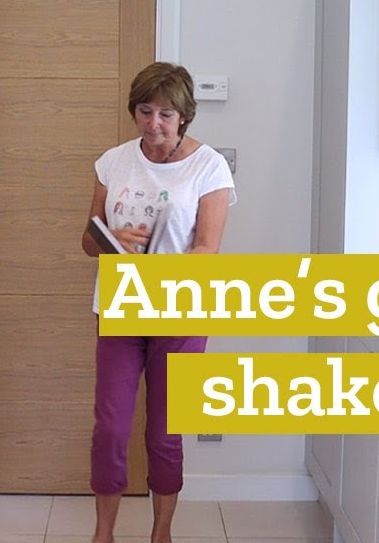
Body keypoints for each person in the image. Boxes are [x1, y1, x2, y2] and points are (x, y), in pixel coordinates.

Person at [81, 62, 236, 543]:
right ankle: (103, 533)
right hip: (121, 307)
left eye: (166, 114)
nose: (154, 124)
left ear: (184, 116)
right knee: (110, 425)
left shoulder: (208, 166)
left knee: (165, 431)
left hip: (180, 311)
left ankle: (160, 532)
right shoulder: (114, 161)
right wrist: (114, 240)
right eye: (145, 111)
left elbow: (207, 249)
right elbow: (89, 240)